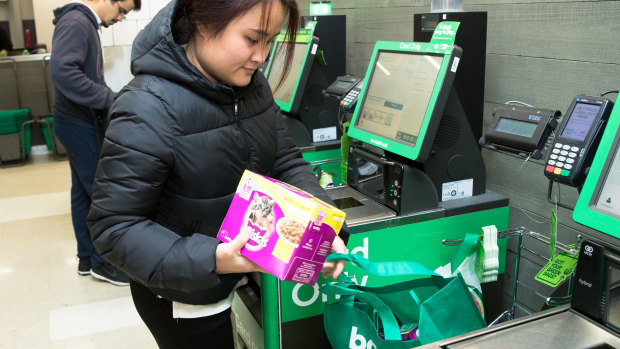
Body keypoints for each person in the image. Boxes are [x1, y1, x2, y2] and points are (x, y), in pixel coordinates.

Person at [86, 0, 349, 347]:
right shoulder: (146, 107)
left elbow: (286, 162)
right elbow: (114, 227)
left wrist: (322, 226)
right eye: (253, 39)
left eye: (270, 41)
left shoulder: (253, 87)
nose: (262, 56)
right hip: (185, 295)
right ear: (202, 24)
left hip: (237, 274)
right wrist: (212, 259)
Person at [49, 0, 141, 286]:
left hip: (74, 122)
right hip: (78, 123)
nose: (120, 18)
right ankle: (105, 263)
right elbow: (64, 72)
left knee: (82, 192)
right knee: (100, 193)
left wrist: (109, 96)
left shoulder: (83, 23)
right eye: (121, 10)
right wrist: (109, 99)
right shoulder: (77, 22)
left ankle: (87, 259)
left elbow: (85, 75)